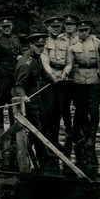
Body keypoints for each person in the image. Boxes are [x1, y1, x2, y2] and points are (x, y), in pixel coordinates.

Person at [62, 19, 100, 149]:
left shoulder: (96, 42)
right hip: (79, 81)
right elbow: (69, 63)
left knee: (93, 110)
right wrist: (65, 72)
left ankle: (91, 138)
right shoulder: (72, 47)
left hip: (94, 80)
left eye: (86, 30)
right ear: (77, 31)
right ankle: (85, 135)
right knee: (81, 110)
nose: (83, 33)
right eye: (81, 31)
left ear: (89, 31)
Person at [13, 33, 58, 160]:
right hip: (28, 99)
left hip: (36, 96)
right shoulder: (26, 64)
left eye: (42, 45)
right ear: (30, 46)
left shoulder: (37, 57)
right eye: (37, 46)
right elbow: (18, 86)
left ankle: (40, 151)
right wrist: (24, 96)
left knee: (42, 124)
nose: (40, 48)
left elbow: (42, 72)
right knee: (36, 128)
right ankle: (23, 153)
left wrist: (53, 80)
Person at [0, 15, 23, 135]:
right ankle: (0, 128)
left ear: (12, 26)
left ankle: (13, 126)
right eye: (4, 27)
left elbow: (20, 55)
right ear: (0, 28)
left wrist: (20, 61)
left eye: (8, 26)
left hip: (15, 76)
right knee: (0, 102)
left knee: (13, 102)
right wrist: (3, 74)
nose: (6, 29)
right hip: (4, 77)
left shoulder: (15, 39)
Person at [40, 16, 72, 148]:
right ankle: (44, 141)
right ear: (48, 28)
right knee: (48, 111)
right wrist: (52, 76)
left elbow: (69, 62)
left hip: (62, 80)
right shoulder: (44, 43)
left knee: (59, 110)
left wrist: (65, 73)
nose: (55, 29)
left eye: (58, 27)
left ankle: (54, 140)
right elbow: (44, 61)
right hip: (49, 80)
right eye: (53, 27)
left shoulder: (65, 43)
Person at [58, 13, 80, 140]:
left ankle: (78, 127)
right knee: (64, 104)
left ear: (76, 26)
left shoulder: (81, 38)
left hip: (78, 76)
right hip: (64, 77)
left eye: (71, 24)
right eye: (67, 24)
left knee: (79, 104)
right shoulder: (60, 38)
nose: (69, 27)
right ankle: (68, 127)